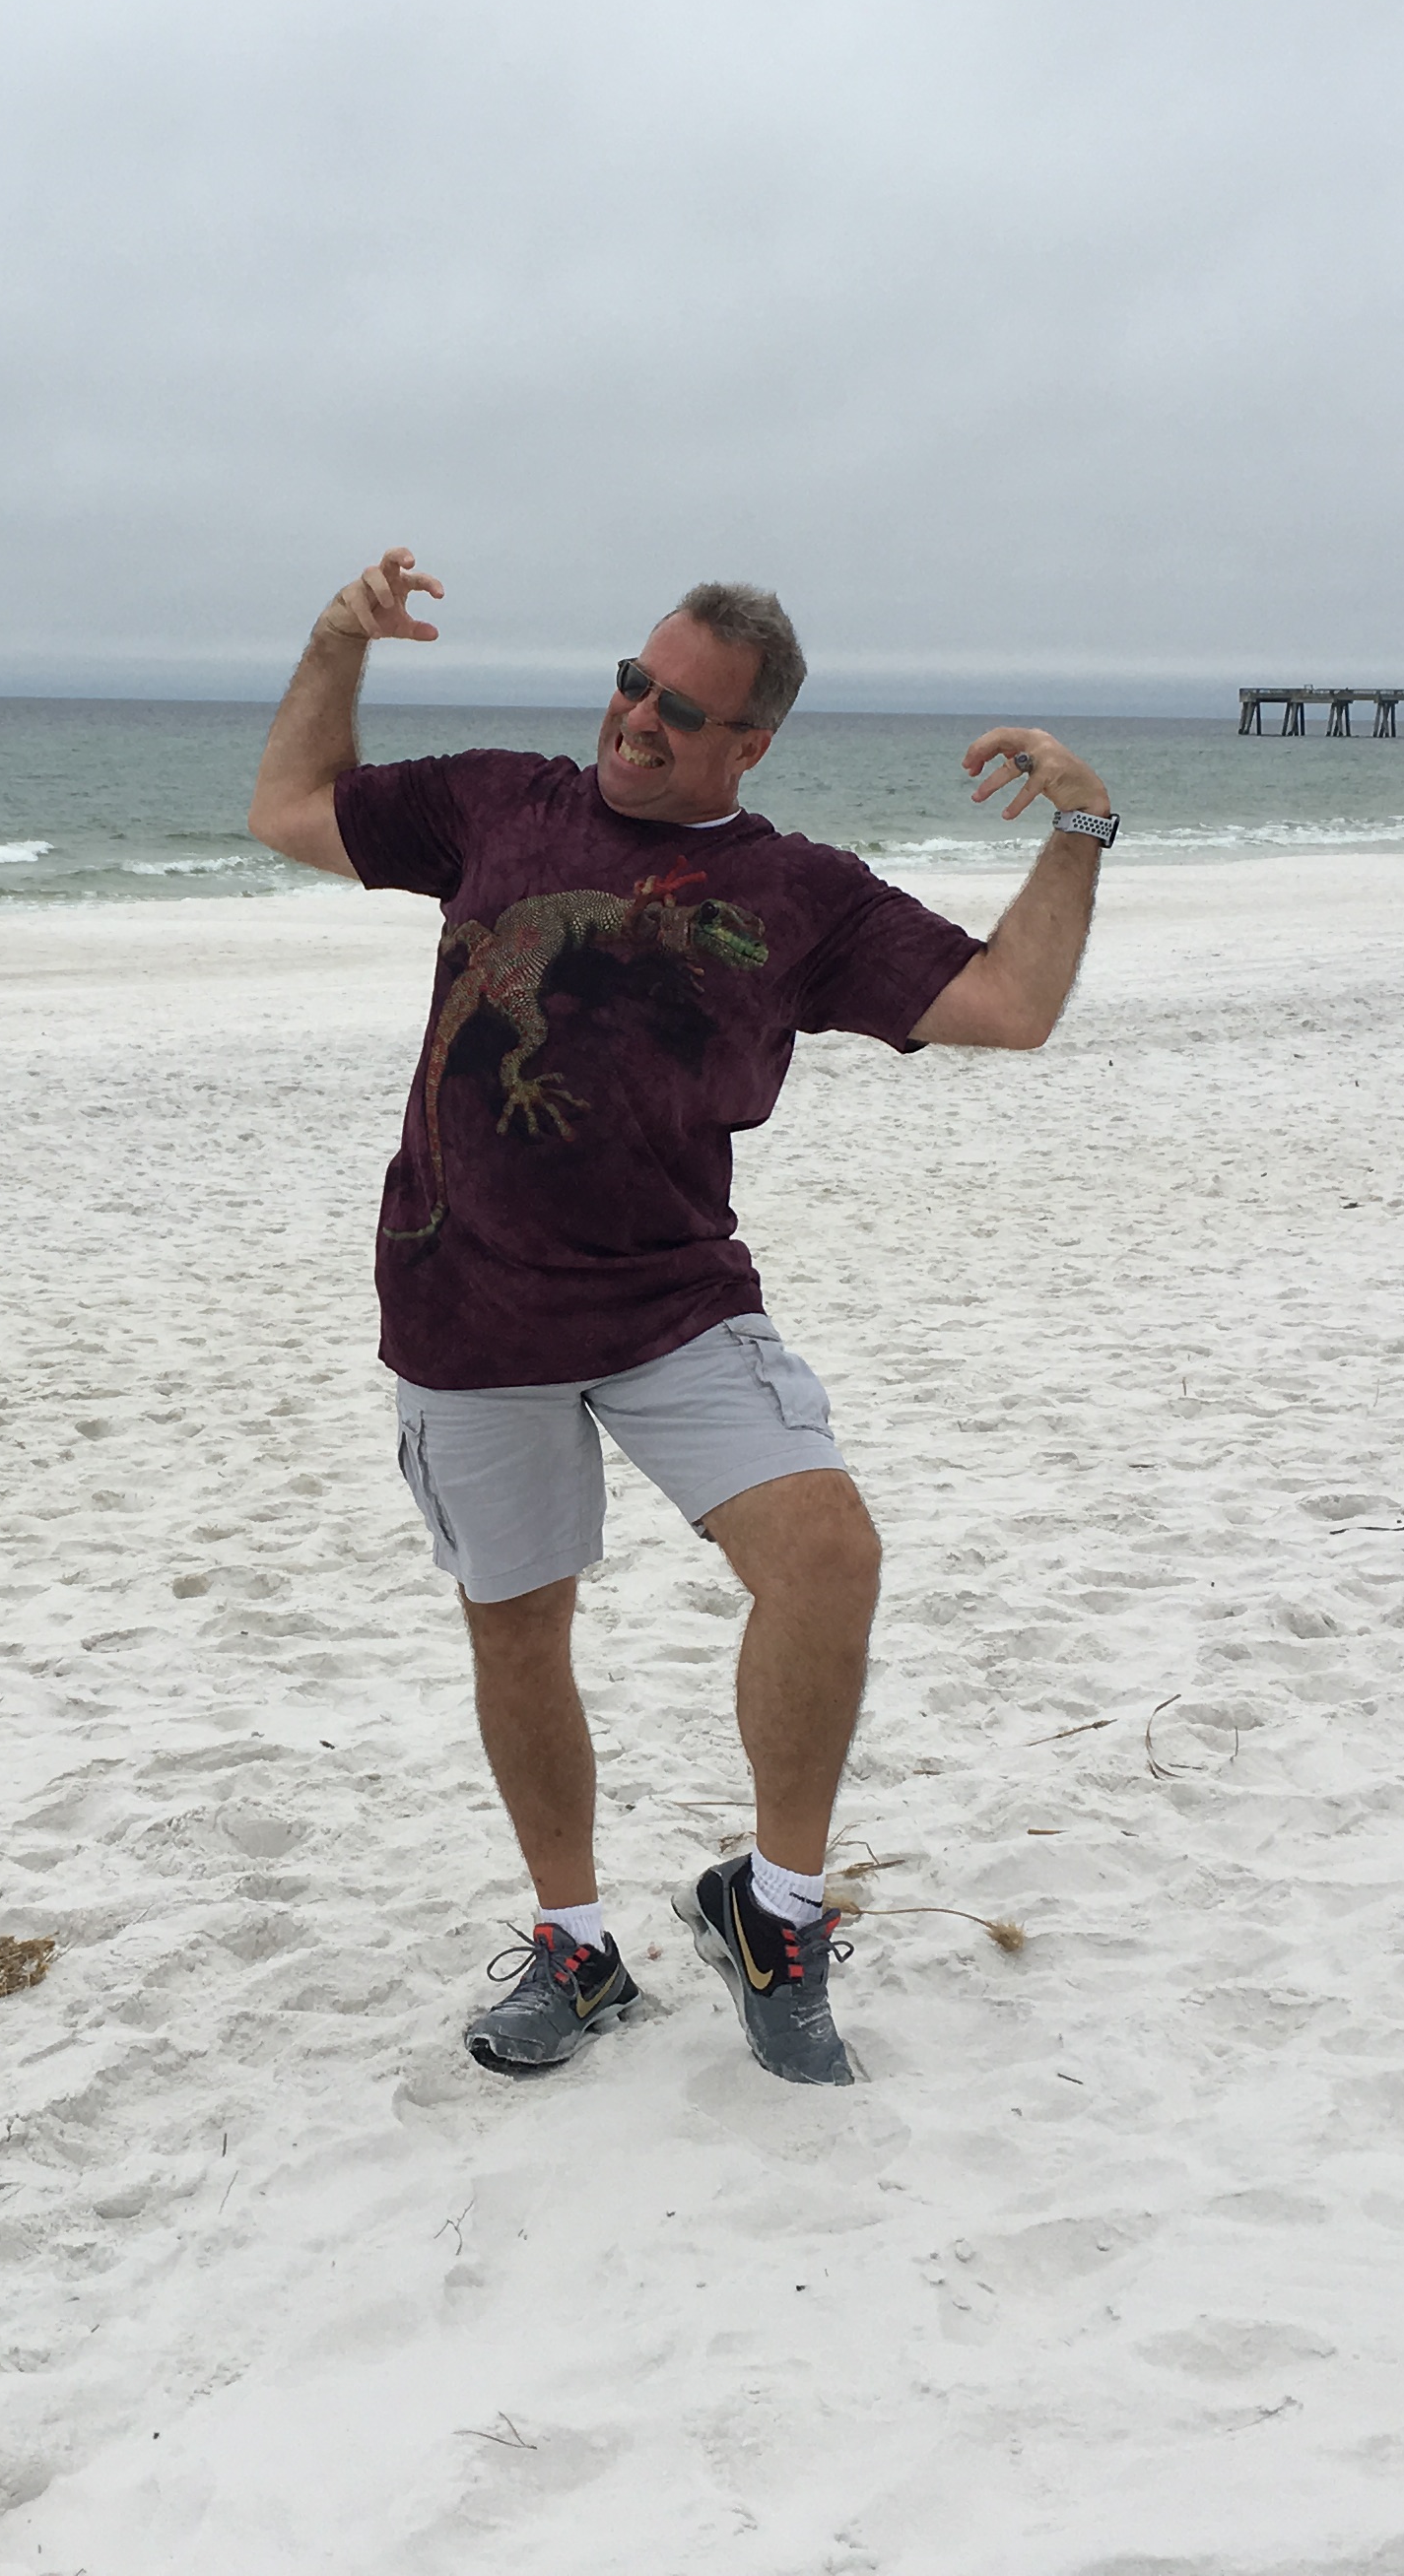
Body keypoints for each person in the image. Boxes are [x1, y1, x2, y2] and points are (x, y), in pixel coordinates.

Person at [245, 548, 1116, 2086]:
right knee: (521, 1627)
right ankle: (576, 1948)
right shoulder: (498, 803)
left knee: (830, 1557)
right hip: (465, 1299)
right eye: (633, 683)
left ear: (750, 743)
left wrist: (1081, 830)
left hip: (672, 1300)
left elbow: (1011, 1005)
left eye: (683, 711)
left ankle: (771, 1914)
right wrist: (336, 643)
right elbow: (290, 809)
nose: (639, 719)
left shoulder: (797, 895)